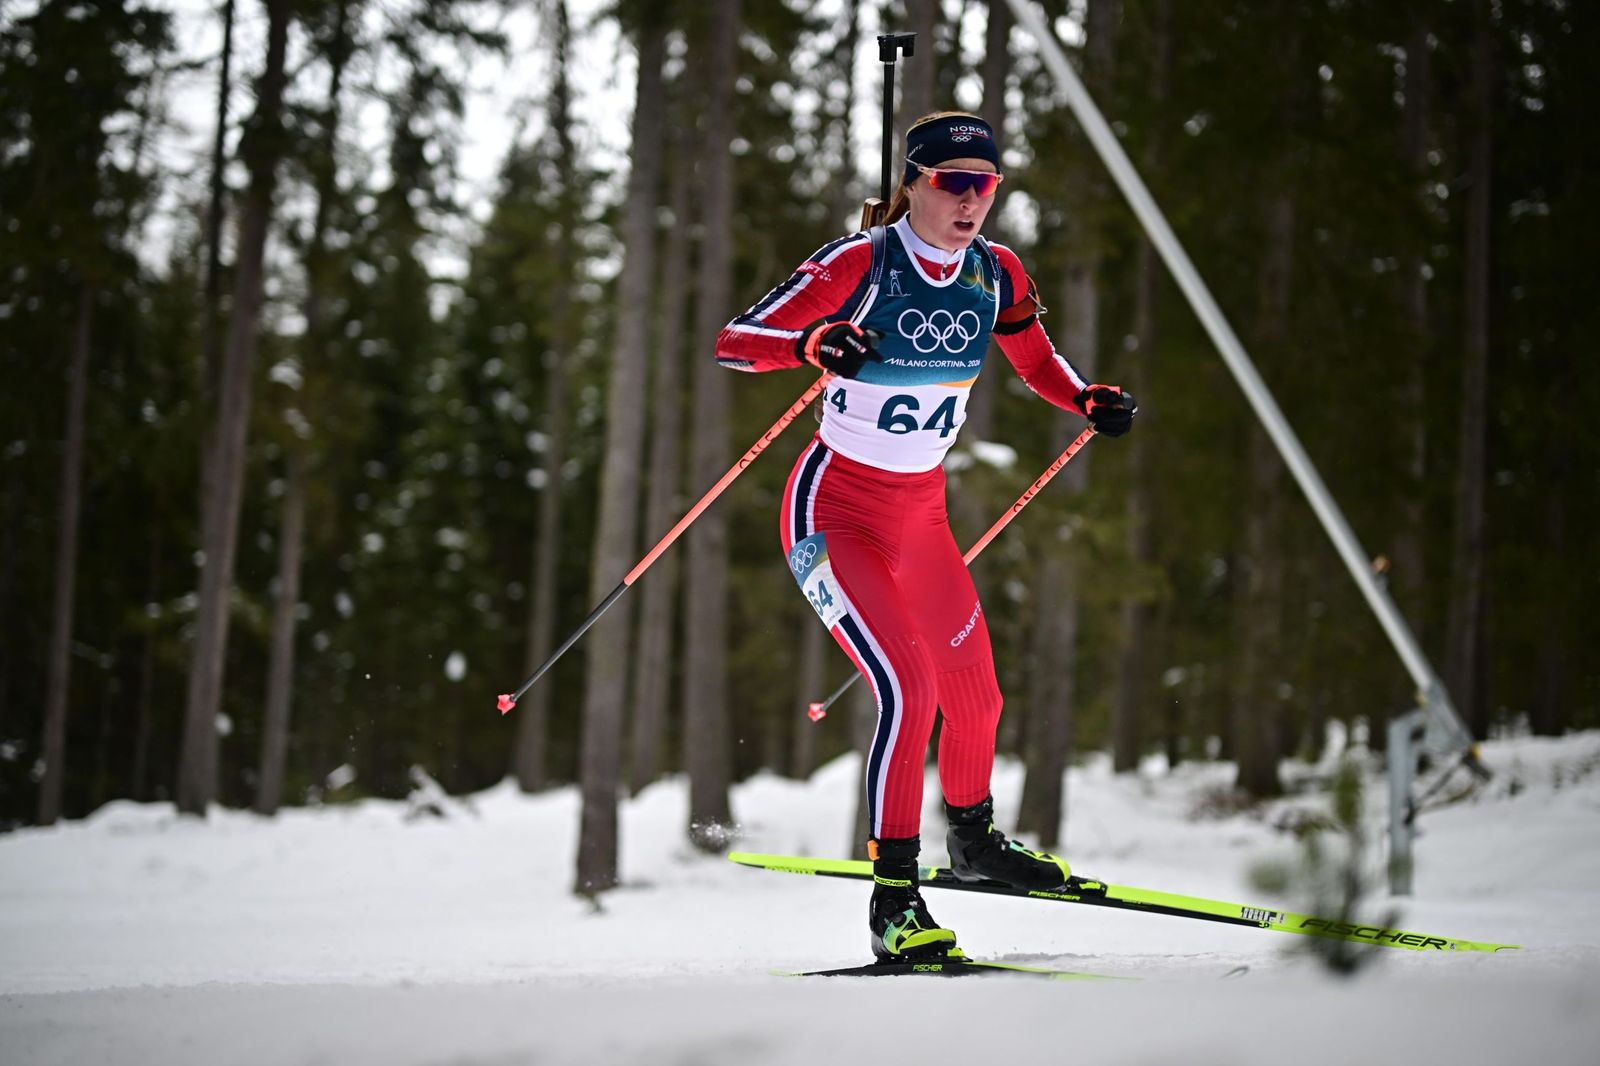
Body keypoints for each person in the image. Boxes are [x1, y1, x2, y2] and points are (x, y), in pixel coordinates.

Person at [715, 111, 1137, 961]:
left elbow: (1033, 358)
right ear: (913, 182)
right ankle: (894, 902)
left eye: (985, 184)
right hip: (835, 513)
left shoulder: (996, 272)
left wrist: (1083, 397)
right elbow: (735, 342)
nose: (970, 199)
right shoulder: (860, 260)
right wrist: (812, 342)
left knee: (976, 693)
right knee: (910, 690)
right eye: (952, 181)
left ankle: (975, 844)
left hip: (922, 517)